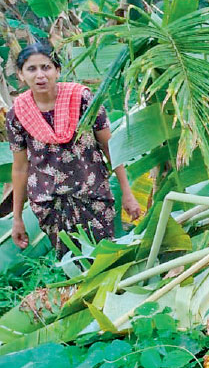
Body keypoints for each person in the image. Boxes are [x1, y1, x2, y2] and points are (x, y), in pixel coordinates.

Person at [7, 42, 142, 255]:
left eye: (46, 67)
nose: (40, 75)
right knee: (72, 263)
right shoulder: (17, 114)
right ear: (21, 75)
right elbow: (20, 168)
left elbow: (109, 146)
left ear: (57, 70)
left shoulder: (81, 99)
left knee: (106, 256)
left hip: (92, 194)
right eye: (31, 69)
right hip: (50, 203)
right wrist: (17, 219)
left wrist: (127, 192)